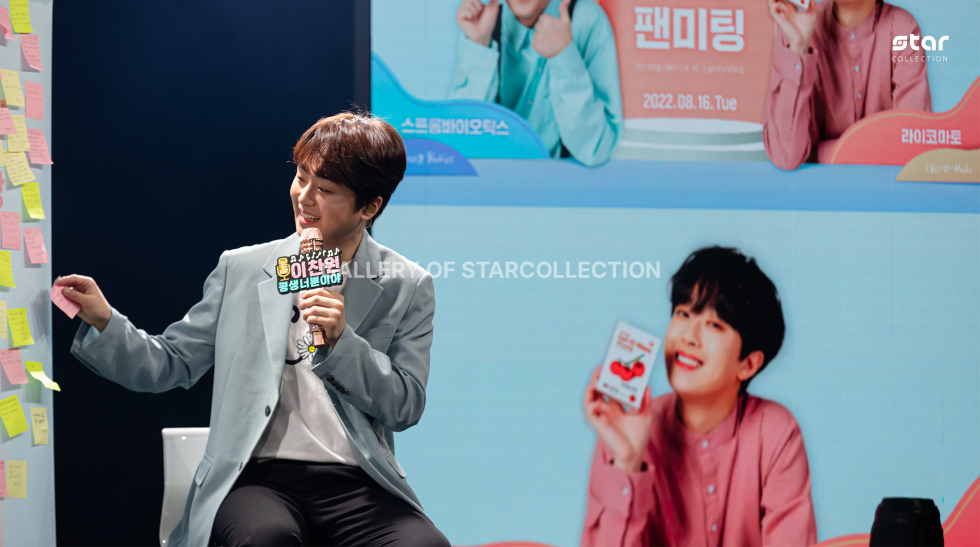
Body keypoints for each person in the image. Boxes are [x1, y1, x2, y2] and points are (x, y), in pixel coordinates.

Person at [58, 113, 451, 547]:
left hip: (358, 479)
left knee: (424, 546)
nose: (304, 198)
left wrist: (342, 343)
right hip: (257, 475)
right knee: (264, 538)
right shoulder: (243, 268)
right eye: (301, 178)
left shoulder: (406, 284)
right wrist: (105, 321)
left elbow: (405, 406)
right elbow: (172, 363)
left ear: (369, 207)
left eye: (325, 190)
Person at [580, 247, 817, 546]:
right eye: (683, 313)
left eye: (714, 325)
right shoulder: (624, 431)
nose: (689, 337)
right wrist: (627, 461)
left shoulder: (775, 433)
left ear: (748, 364)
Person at [762, 0, 932, 170]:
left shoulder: (903, 29)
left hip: (881, 185)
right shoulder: (797, 25)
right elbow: (785, 156)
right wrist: (799, 47)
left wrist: (819, 154)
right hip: (816, 187)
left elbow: (912, 148)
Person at [450, 0, 622, 166]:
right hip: (499, 182)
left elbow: (596, 149)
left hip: (562, 183)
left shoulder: (585, 18)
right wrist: (478, 46)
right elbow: (460, 146)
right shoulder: (486, 22)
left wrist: (564, 57)